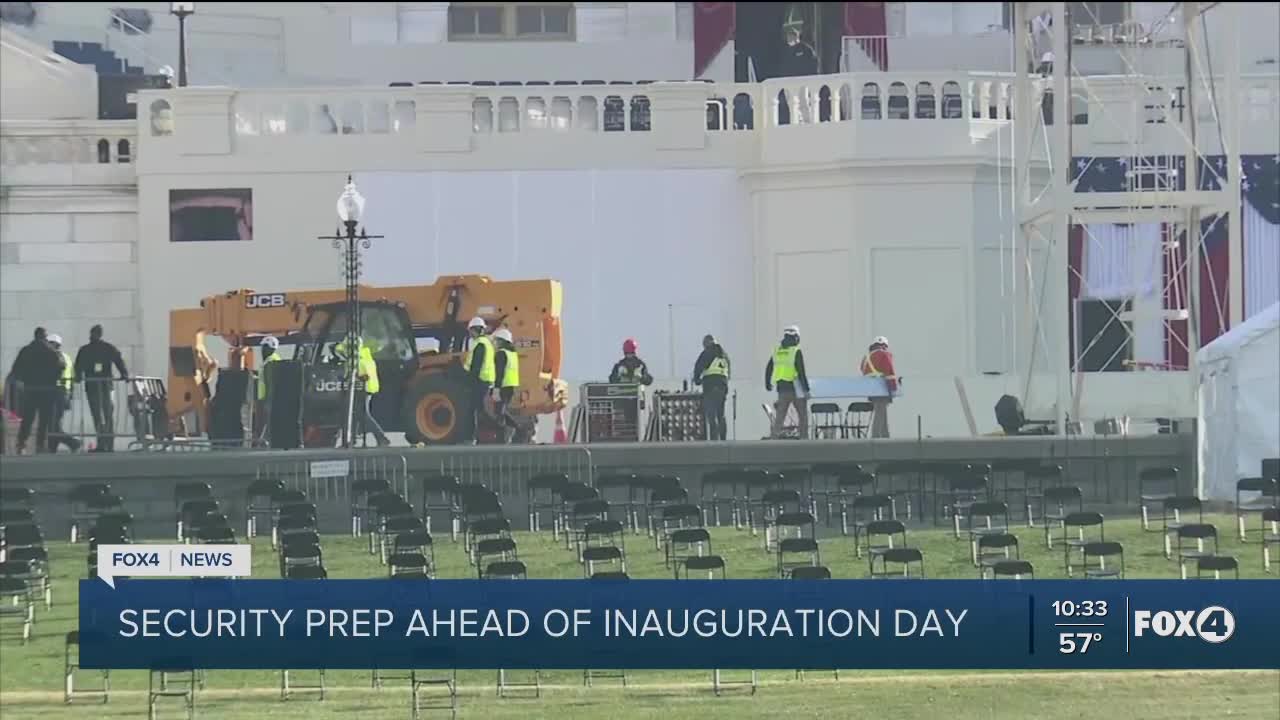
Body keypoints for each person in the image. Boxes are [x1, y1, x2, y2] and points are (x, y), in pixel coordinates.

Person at [74, 324, 129, 452]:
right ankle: (108, 445)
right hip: (107, 386)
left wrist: (78, 377)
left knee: (98, 416)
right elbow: (119, 360)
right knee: (107, 415)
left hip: (93, 387)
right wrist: (124, 374)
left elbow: (78, 367)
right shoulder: (108, 348)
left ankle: (102, 444)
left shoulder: (85, 350)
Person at [9, 327, 64, 454]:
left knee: (27, 419)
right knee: (44, 420)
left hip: (30, 389)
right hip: (47, 390)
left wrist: (22, 380)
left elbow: (16, 369)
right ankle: (40, 445)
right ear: (44, 337)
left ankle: (21, 444)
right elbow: (61, 366)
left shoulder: (26, 350)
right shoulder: (51, 351)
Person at [336, 337, 390, 447]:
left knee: (363, 414)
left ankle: (381, 437)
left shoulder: (357, 361)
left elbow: (362, 376)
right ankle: (352, 440)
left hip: (361, 389)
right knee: (355, 414)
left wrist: (348, 377)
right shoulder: (363, 356)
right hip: (364, 389)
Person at [764, 325, 810, 439]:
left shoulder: (777, 351)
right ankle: (804, 440)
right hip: (796, 388)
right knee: (803, 416)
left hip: (782, 389)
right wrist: (806, 390)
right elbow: (801, 372)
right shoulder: (796, 351)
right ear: (796, 337)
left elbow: (769, 367)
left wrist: (767, 383)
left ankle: (774, 440)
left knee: (780, 417)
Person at [46, 334, 82, 453]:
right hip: (64, 393)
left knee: (53, 423)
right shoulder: (66, 357)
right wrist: (70, 395)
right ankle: (52, 448)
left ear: (54, 344)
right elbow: (72, 377)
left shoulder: (53, 357)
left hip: (56, 392)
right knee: (55, 423)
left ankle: (73, 442)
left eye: (49, 343)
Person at [462, 316, 495, 439]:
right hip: (486, 380)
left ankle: (473, 436)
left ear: (474, 330)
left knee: (475, 409)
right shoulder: (486, 343)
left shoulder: (480, 344)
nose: (470, 334)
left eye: (471, 331)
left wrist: (469, 380)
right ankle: (485, 433)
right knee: (479, 408)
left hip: (479, 381)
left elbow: (476, 365)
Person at [692, 334, 730, 441]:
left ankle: (714, 440)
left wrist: (697, 380)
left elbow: (698, 367)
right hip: (723, 387)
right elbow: (728, 372)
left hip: (710, 387)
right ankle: (723, 439)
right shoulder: (724, 355)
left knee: (711, 416)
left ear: (706, 344)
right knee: (721, 414)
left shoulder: (707, 353)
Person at [860, 336, 899, 439]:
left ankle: (884, 434)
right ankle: (878, 436)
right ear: (884, 345)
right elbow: (890, 372)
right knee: (880, 413)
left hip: (870, 389)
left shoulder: (866, 357)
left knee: (880, 412)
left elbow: (863, 370)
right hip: (882, 388)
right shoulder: (884, 354)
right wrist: (893, 388)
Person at [491, 328, 520, 444]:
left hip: (503, 386)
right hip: (510, 386)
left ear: (502, 341)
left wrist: (496, 388)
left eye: (497, 340)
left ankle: (509, 433)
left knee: (499, 412)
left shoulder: (501, 354)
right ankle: (512, 430)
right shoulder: (512, 354)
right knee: (501, 411)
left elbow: (500, 372)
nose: (495, 343)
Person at [256, 336, 282, 442]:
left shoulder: (272, 361)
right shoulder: (269, 360)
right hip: (266, 398)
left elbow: (271, 382)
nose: (262, 350)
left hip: (268, 399)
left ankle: (266, 442)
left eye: (264, 347)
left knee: (268, 422)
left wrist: (268, 400)